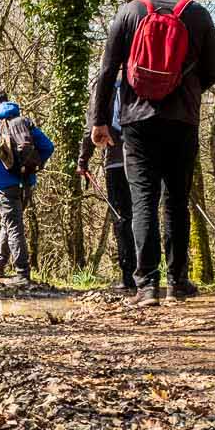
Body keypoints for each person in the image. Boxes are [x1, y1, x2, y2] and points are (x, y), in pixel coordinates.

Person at [88, 0, 215, 304]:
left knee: (143, 198)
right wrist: (186, 90)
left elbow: (106, 72)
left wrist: (99, 121)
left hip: (136, 120)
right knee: (177, 199)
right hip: (182, 119)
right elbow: (213, 71)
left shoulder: (131, 12)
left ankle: (147, 284)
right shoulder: (198, 15)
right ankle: (178, 281)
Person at [0, 89, 54, 284]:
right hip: (26, 182)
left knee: (13, 225)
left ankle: (22, 273)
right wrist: (33, 166)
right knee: (9, 222)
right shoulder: (24, 122)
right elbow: (48, 146)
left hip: (4, 184)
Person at [78, 83, 135, 292]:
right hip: (143, 161)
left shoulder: (103, 88)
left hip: (117, 162)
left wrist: (82, 161)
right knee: (141, 214)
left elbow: (91, 125)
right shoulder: (140, 81)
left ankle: (129, 276)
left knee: (121, 218)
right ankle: (147, 274)